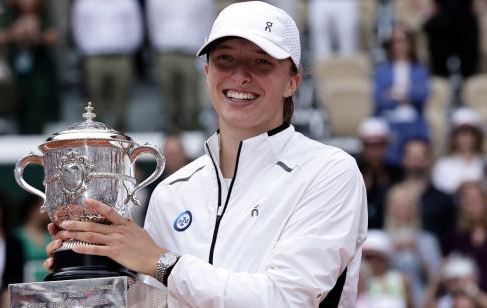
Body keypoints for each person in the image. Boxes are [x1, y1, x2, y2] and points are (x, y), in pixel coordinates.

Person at [45, 2, 368, 307]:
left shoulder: (329, 172)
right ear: (207, 72)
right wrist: (98, 265)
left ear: (292, 82)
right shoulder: (173, 191)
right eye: (225, 59)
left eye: (261, 62)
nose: (240, 76)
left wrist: (161, 263)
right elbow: (160, 301)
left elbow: (286, 299)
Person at [71, 0, 143, 131]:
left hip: (121, 57)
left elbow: (136, 30)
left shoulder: (128, 3)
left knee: (121, 101)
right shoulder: (84, 3)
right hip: (94, 58)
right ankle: (98, 139)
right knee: (94, 103)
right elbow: (79, 31)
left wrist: (125, 48)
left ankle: (121, 139)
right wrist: (90, 50)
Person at [0, 0, 59, 134]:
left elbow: (54, 36)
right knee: (17, 97)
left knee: (38, 97)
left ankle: (36, 129)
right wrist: (15, 32)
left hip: (39, 64)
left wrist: (36, 35)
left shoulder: (42, 14)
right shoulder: (10, 14)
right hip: (15, 64)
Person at [146, 0, 213, 133]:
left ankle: (194, 130)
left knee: (191, 95)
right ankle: (171, 131)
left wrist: (204, 53)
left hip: (190, 52)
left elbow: (206, 23)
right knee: (168, 94)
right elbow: (153, 23)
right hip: (165, 51)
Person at [373, 24, 430, 167]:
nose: (400, 46)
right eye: (396, 41)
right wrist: (406, 94)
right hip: (389, 120)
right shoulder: (383, 71)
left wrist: (394, 93)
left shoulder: (419, 70)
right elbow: (379, 99)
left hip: (413, 121)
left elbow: (421, 94)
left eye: (403, 41)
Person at [383, 183, 442, 306]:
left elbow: (435, 278)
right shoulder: (381, 239)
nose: (402, 211)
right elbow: (373, 274)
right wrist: (392, 251)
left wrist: (418, 252)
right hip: (386, 298)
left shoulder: (427, 240)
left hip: (420, 298)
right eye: (398, 206)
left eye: (407, 206)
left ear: (415, 209)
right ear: (390, 209)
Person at [400, 138, 456, 247]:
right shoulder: (389, 194)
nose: (416, 158)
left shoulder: (444, 200)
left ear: (429, 159)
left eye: (421, 154)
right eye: (411, 154)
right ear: (403, 159)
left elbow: (450, 236)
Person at [356, 117, 403, 229]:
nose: (375, 150)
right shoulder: (354, 170)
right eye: (370, 145)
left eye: (379, 144)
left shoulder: (397, 172)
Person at [444, 181, 487, 291]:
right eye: (468, 202)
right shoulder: (454, 236)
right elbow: (445, 269)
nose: (473, 206)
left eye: (477, 200)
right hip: (463, 295)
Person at [432, 108, 485, 196]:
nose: (466, 138)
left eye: (470, 133)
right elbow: (440, 195)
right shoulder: (443, 165)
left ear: (477, 136)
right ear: (453, 138)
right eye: (461, 134)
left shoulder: (484, 161)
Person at [15, 194, 51, 282]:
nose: (48, 210)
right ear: (32, 210)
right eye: (44, 206)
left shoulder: (52, 236)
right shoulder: (16, 237)